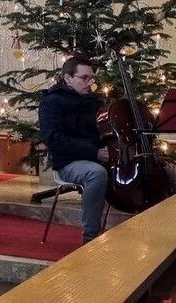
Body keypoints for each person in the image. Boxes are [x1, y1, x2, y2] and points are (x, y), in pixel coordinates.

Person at [38, 56, 109, 244]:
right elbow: (54, 139)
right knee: (96, 173)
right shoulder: (51, 102)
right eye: (84, 78)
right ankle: (90, 238)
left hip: (95, 156)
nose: (90, 83)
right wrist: (94, 152)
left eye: (91, 78)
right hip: (68, 162)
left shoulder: (93, 102)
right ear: (67, 78)